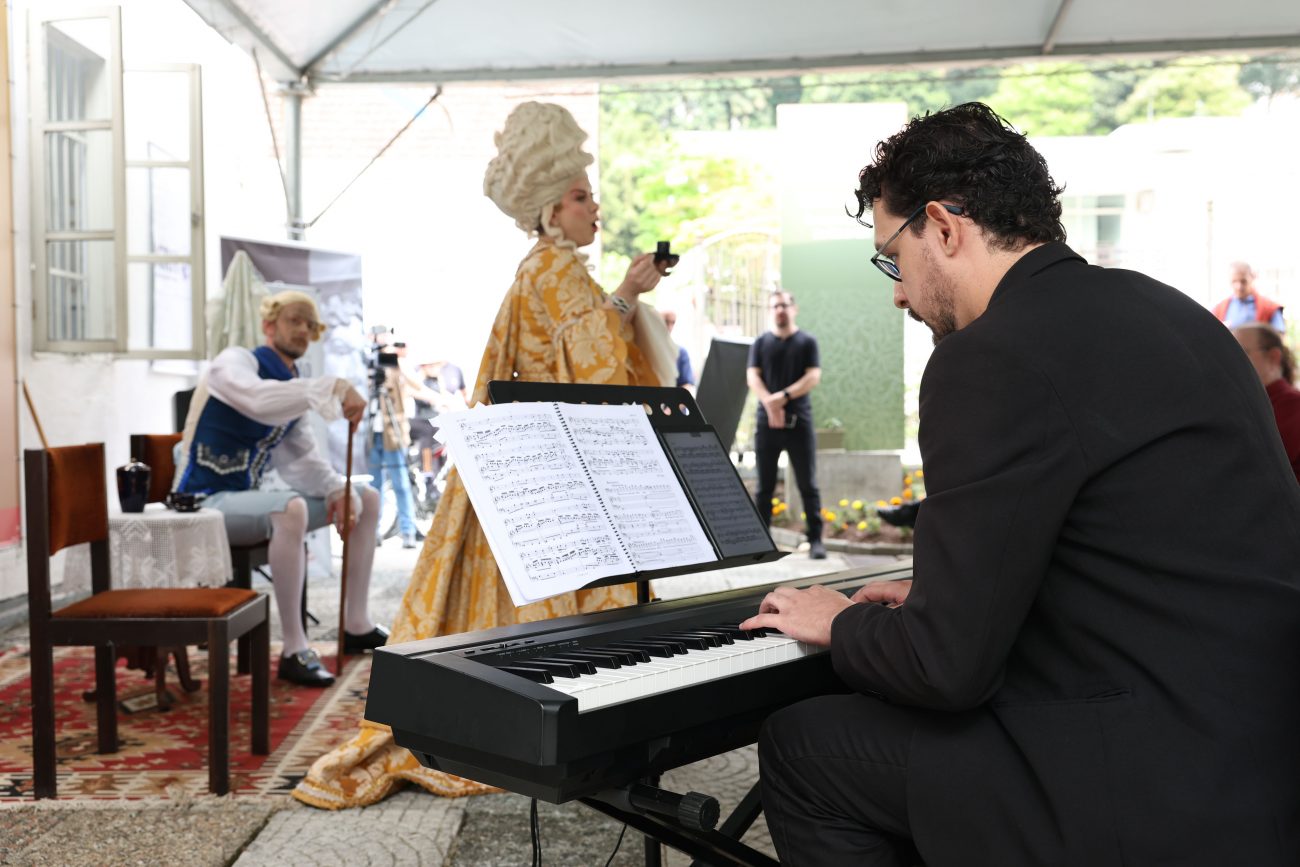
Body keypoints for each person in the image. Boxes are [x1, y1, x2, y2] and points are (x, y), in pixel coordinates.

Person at [741, 103, 1300, 865]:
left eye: (890, 258)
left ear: (941, 226)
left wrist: (837, 620)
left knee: (806, 746)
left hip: (1141, 783)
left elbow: (946, 670)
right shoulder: (1172, 313)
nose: (897, 294)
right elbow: (1142, 550)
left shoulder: (989, 356)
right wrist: (949, 595)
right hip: (1256, 755)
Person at [293, 101, 677, 809]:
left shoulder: (547, 267)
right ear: (548, 212)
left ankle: (538, 717)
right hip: (549, 471)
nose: (593, 207)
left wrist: (622, 302)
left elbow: (581, 350)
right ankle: (565, 723)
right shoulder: (554, 269)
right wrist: (627, 293)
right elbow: (586, 368)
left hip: (537, 459)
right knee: (568, 608)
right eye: (579, 197)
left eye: (589, 194)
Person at [174, 290, 389, 688]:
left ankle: (356, 624)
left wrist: (336, 492)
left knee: (365, 497)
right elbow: (256, 400)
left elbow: (302, 463)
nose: (304, 330)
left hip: (241, 500)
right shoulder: (234, 363)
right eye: (295, 320)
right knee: (290, 510)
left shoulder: (294, 388)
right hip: (201, 500)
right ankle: (294, 648)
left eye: (310, 324)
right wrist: (332, 389)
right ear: (269, 325)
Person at [748, 291, 826, 559]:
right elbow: (752, 376)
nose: (780, 309)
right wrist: (770, 404)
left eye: (784, 305)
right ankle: (761, 542)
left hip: (799, 423)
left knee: (808, 484)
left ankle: (816, 540)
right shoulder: (760, 343)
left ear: (794, 309)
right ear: (770, 311)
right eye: (775, 306)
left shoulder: (807, 342)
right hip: (766, 423)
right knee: (764, 486)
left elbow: (813, 376)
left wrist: (783, 397)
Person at [366, 335, 433, 549]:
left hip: (393, 434)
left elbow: (416, 384)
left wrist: (398, 363)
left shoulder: (396, 368)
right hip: (372, 434)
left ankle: (408, 531)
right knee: (374, 486)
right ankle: (372, 532)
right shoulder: (369, 366)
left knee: (401, 484)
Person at [1234, 322, 1300, 483]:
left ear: (1273, 356)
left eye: (1241, 352)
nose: (1231, 361)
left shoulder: (1294, 407)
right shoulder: (1248, 404)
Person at [1213, 261, 1285, 329]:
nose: (1239, 287)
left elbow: (1278, 337)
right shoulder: (1219, 309)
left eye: (1243, 281)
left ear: (1252, 277)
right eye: (1234, 281)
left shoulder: (1269, 308)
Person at [660, 309, 696, 392]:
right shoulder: (648, 351)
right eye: (666, 321)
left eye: (673, 322)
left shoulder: (681, 353)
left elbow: (687, 385)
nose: (669, 327)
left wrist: (673, 404)